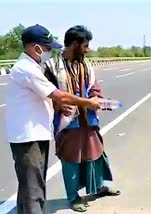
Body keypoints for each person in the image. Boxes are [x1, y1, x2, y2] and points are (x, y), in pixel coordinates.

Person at [4, 24, 101, 214]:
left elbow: (47, 97)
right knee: (34, 189)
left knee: (28, 186)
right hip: (28, 137)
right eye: (47, 48)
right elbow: (60, 95)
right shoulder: (27, 69)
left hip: (34, 133)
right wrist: (88, 103)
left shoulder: (33, 67)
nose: (50, 52)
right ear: (36, 47)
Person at [44, 25, 120, 212]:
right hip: (68, 122)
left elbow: (94, 86)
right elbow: (45, 94)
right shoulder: (51, 67)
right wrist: (59, 104)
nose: (88, 49)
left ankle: (99, 187)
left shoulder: (85, 64)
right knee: (71, 159)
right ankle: (73, 197)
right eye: (85, 45)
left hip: (89, 119)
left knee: (95, 153)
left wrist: (98, 99)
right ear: (75, 44)